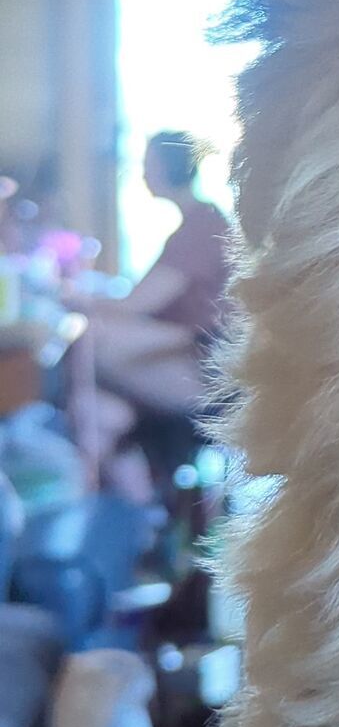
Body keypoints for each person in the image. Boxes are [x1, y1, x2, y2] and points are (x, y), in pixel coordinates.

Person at [80, 132, 231, 489]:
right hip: (186, 358)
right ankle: (144, 517)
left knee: (90, 341)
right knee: (102, 409)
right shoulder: (198, 223)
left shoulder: (201, 228)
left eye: (148, 165)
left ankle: (115, 496)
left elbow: (137, 305)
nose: (143, 175)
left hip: (203, 369)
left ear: (169, 169)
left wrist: (74, 298)